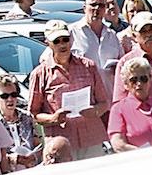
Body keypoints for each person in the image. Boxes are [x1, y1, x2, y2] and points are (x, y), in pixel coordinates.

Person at [28, 20, 109, 161]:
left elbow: (103, 102)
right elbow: (34, 113)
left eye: (65, 39)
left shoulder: (88, 66)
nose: (62, 44)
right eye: (57, 41)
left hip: (91, 136)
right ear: (48, 43)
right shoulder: (40, 74)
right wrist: (53, 118)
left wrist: (95, 111)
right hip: (60, 142)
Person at [0, 73, 40, 168]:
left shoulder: (27, 117)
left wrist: (34, 156)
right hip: (6, 173)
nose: (10, 99)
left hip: (30, 170)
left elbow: (36, 143)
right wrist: (14, 159)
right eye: (4, 96)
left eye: (14, 95)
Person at [72, 0, 123, 76]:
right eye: (93, 5)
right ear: (84, 8)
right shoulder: (72, 33)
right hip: (84, 88)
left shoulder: (112, 35)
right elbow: (47, 59)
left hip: (108, 88)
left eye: (101, 5)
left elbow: (122, 64)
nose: (97, 8)